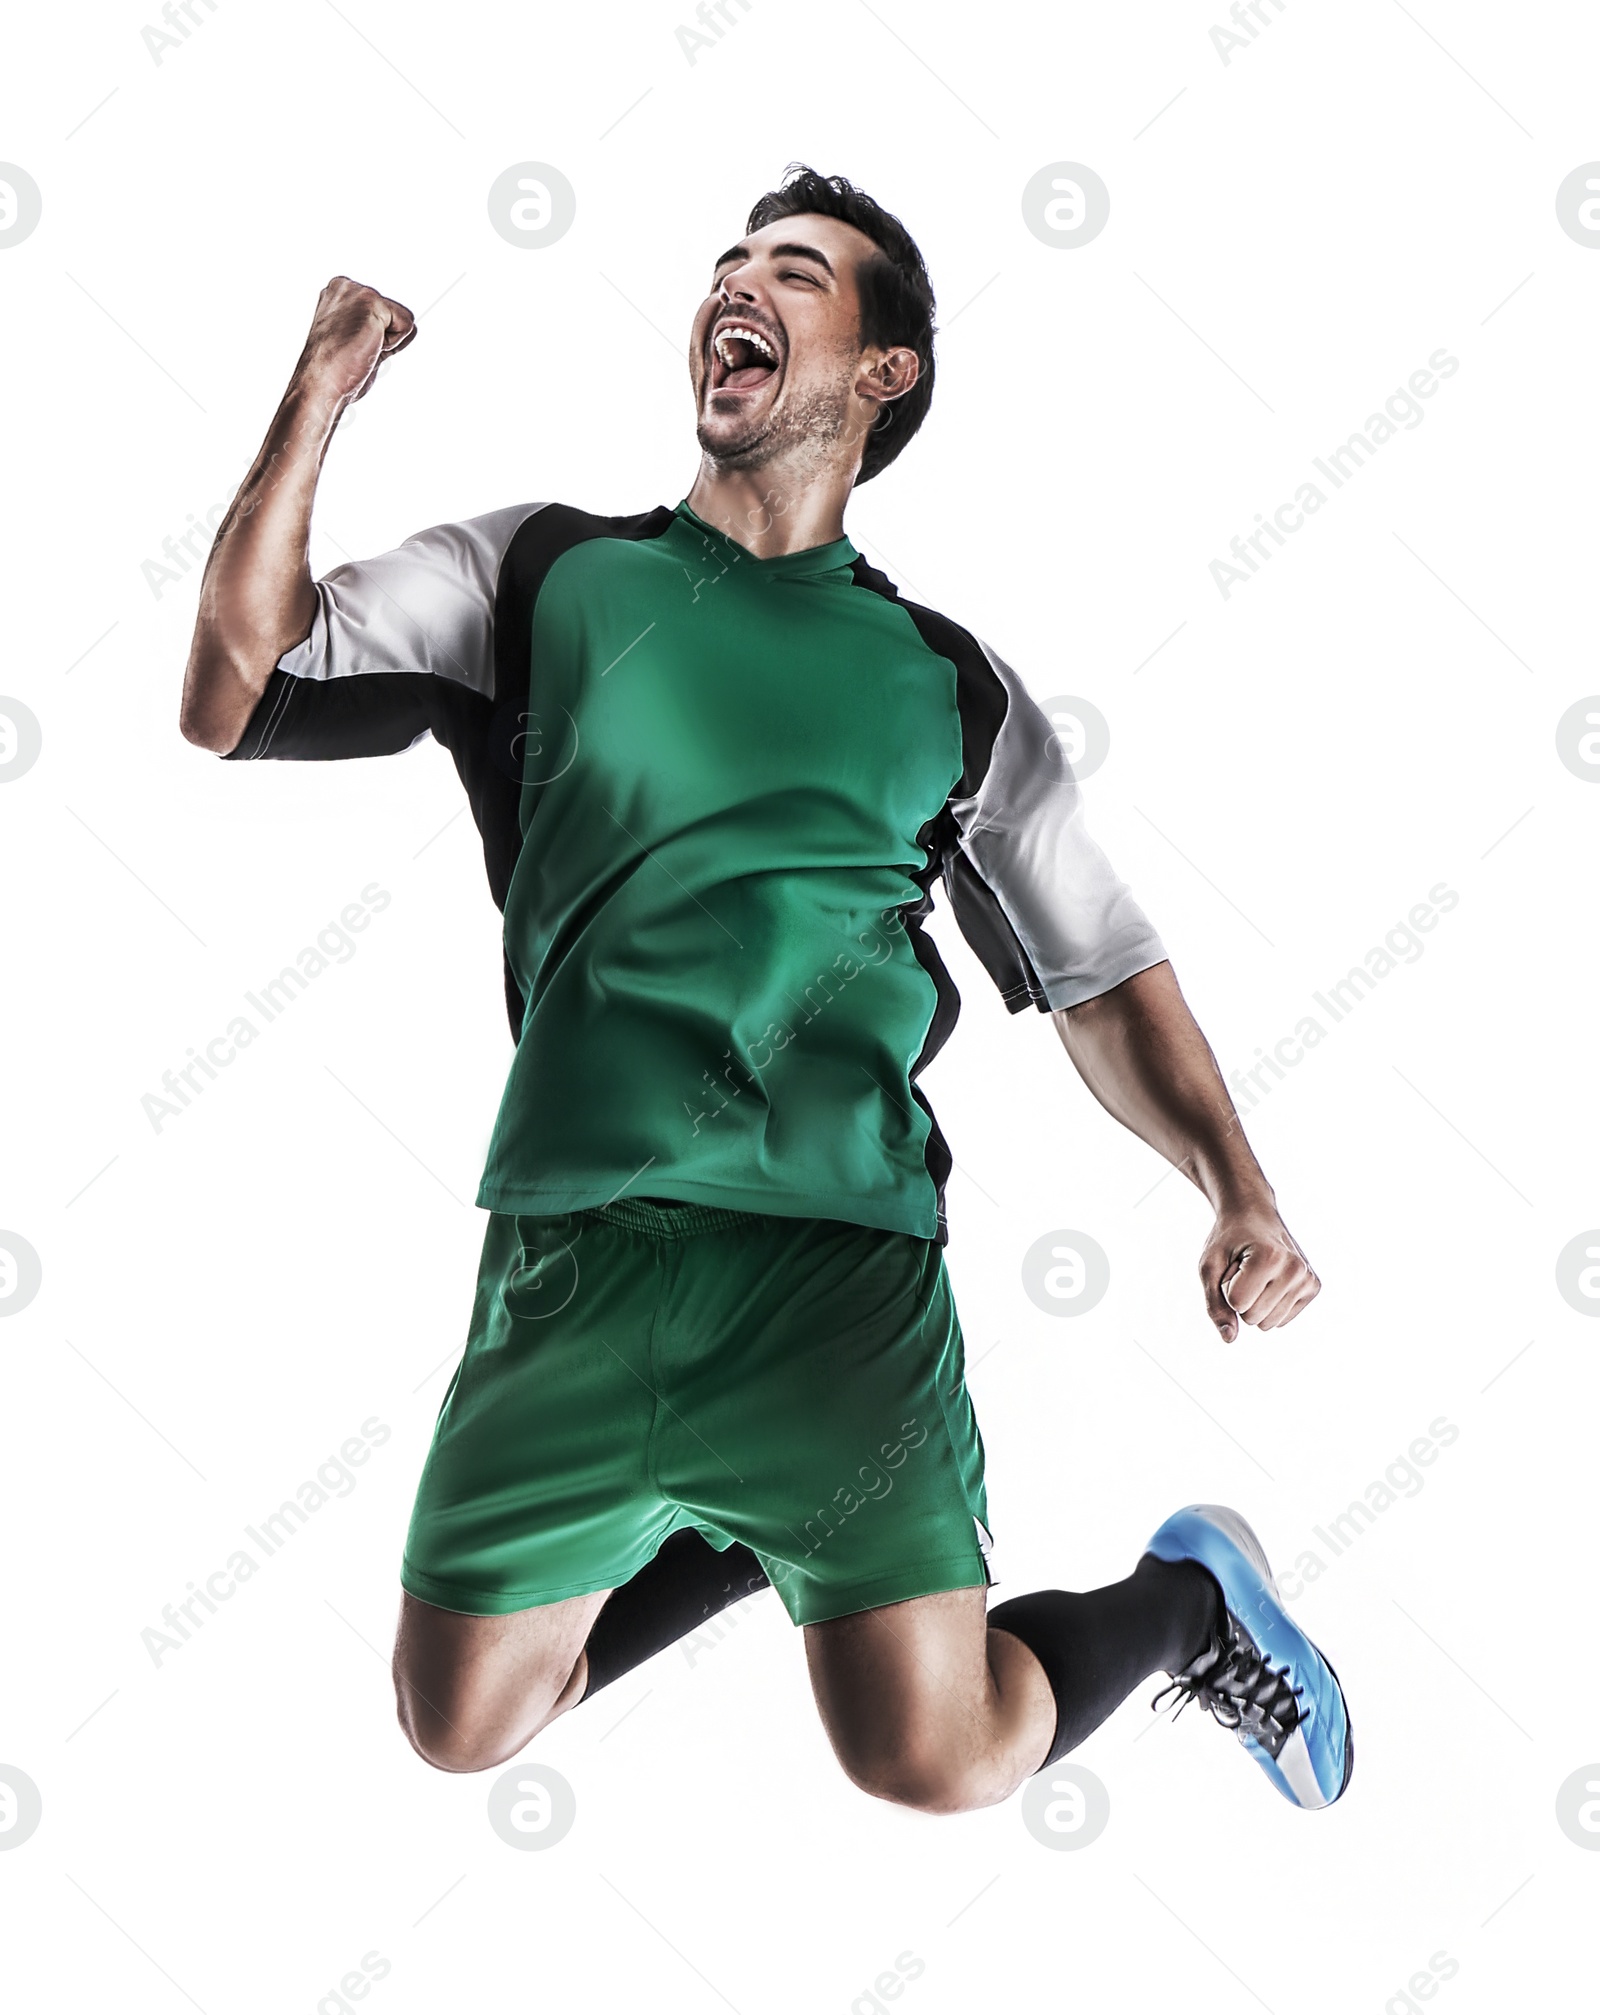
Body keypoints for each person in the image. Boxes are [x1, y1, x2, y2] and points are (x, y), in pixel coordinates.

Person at [179, 165, 1351, 1815]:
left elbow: (1102, 968)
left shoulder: (948, 684)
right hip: (571, 1248)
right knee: (459, 1719)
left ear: (883, 374)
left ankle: (1188, 1601)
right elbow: (235, 687)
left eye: (795, 273)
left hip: (836, 1270)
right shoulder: (545, 575)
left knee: (933, 1760)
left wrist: (1236, 1185)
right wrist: (317, 393)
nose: (739, 283)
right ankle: (747, 1531)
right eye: (728, 264)